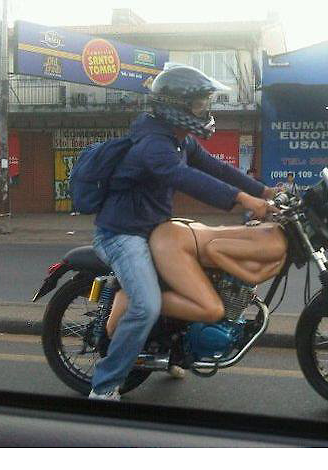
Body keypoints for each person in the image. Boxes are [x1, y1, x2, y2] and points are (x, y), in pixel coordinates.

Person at [88, 64, 277, 400]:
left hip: (153, 229)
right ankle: (104, 386)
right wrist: (243, 199)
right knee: (146, 305)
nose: (204, 110)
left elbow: (216, 168)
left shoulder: (178, 140)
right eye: (199, 104)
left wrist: (264, 191)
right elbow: (186, 178)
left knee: (202, 278)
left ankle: (174, 351)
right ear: (176, 105)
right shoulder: (153, 145)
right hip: (122, 235)